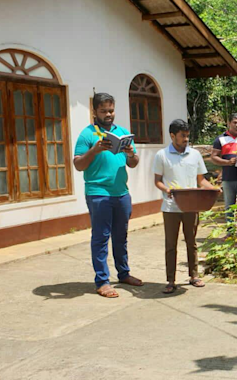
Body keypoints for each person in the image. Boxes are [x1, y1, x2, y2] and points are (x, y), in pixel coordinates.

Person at [73, 92, 143, 298]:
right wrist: (94, 150)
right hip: (98, 193)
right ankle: (102, 281)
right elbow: (78, 165)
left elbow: (134, 162)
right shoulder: (87, 134)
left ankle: (124, 274)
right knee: (101, 237)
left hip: (121, 193)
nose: (108, 114)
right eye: (103, 111)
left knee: (121, 236)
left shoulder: (122, 132)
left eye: (111, 110)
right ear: (94, 111)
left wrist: (130, 153)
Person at [153, 119, 218, 294]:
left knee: (192, 242)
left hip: (191, 206)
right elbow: (157, 181)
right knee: (170, 244)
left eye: (188, 136)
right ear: (172, 135)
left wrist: (213, 189)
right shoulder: (162, 155)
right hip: (170, 207)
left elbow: (201, 180)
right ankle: (171, 280)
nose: (186, 139)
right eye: (182, 136)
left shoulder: (195, 155)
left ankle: (194, 275)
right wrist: (166, 189)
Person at [211, 114, 237, 216]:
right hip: (228, 178)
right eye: (234, 123)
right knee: (229, 205)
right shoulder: (221, 139)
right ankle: (230, 230)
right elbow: (214, 157)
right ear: (229, 123)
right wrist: (227, 162)